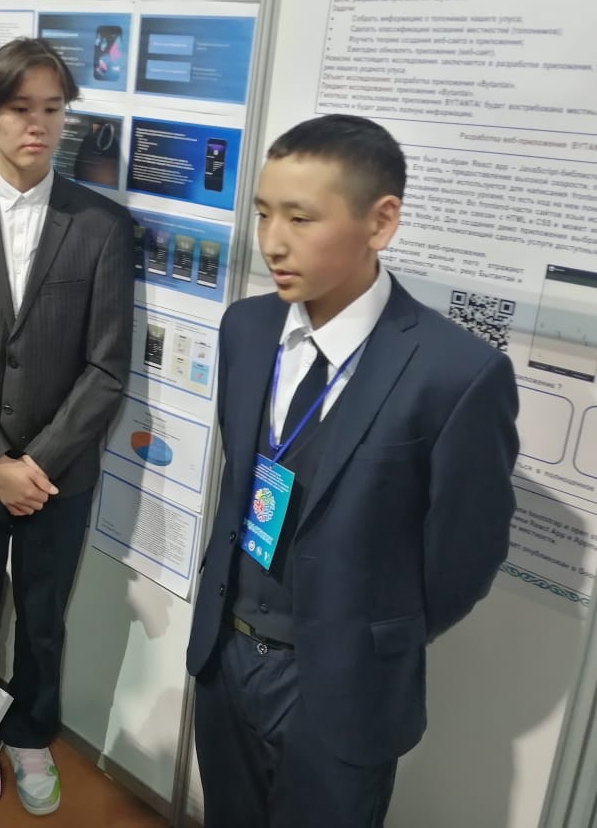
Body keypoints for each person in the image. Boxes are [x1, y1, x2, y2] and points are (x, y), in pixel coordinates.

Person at [187, 114, 520, 828]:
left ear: (381, 221)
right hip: (226, 655)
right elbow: (242, 480)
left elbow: (463, 559)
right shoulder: (246, 327)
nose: (272, 241)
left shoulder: (456, 373)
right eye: (264, 213)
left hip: (342, 688)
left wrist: (368, 637)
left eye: (301, 218)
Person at [0, 37, 133, 817]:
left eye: (52, 109)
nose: (37, 125)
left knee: (43, 618)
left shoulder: (101, 225)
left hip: (58, 476)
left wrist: (35, 464)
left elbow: (107, 366)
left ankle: (33, 732)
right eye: (19, 109)